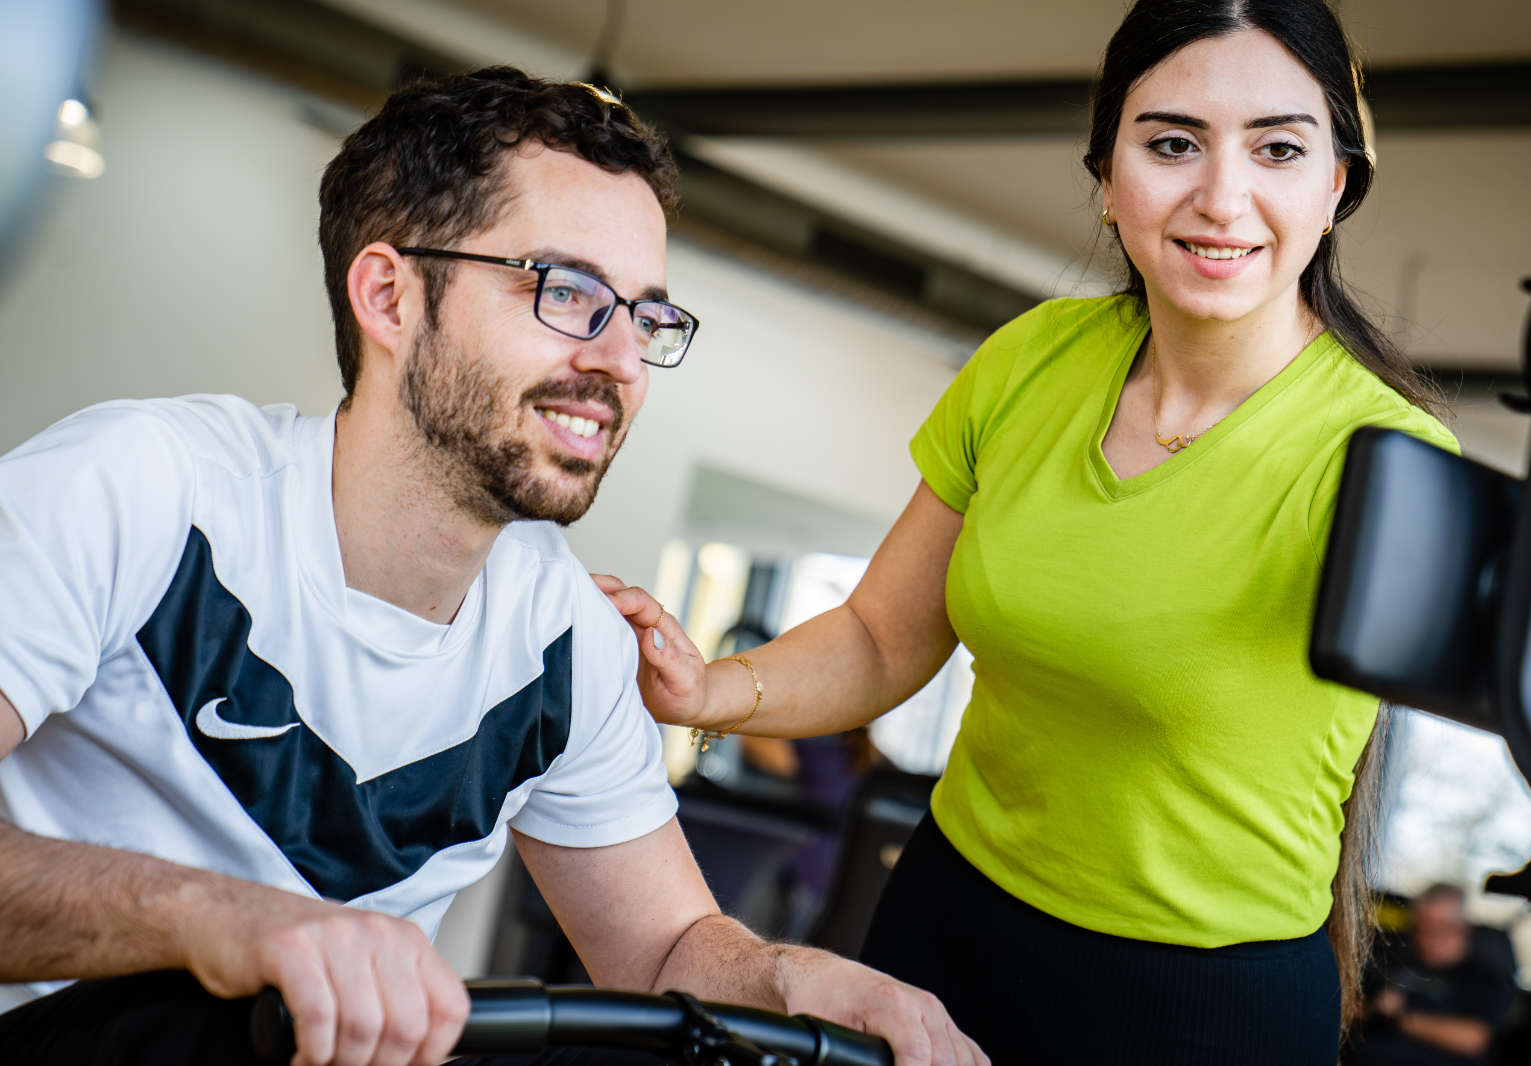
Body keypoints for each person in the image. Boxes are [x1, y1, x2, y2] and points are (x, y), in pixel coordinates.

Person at [0, 69, 985, 1066]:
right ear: (388, 295)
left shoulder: (565, 640)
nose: (622, 362)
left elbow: (665, 950)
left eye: (644, 316)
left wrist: (805, 980)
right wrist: (215, 919)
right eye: (566, 293)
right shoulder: (144, 488)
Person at [595, 1, 1458, 1062]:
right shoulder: (1035, 358)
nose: (1220, 196)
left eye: (1277, 148)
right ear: (1107, 176)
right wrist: (710, 688)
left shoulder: (1391, 463)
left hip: (1201, 1009)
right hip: (945, 927)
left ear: (1334, 185)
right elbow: (880, 635)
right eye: (1171, 143)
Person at [1349, 885, 1517, 1066]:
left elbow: (1475, 1039)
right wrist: (1375, 1008)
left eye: (1440, 929)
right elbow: (1349, 1007)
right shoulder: (1391, 959)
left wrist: (1401, 1018)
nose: (1428, 939)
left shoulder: (1481, 975)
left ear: (1462, 929)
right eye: (1421, 928)